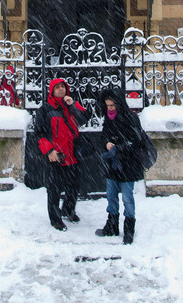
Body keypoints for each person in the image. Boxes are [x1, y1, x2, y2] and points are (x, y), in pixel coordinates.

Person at [34, 78, 89, 231]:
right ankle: (55, 219)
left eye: (63, 87)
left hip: (72, 154)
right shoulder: (45, 109)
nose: (61, 89)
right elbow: (39, 133)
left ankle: (68, 210)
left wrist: (73, 105)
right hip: (56, 155)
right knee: (54, 189)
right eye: (57, 87)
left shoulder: (71, 105)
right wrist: (49, 150)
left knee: (73, 186)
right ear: (52, 91)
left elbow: (84, 119)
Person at [95, 87, 145, 245]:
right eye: (107, 105)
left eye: (112, 105)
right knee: (111, 195)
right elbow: (104, 136)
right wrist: (106, 144)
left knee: (127, 198)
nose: (110, 108)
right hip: (113, 164)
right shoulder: (109, 118)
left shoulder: (130, 117)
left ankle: (129, 228)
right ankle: (112, 225)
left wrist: (119, 147)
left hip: (128, 164)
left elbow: (136, 140)